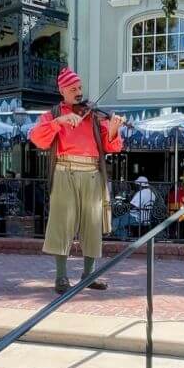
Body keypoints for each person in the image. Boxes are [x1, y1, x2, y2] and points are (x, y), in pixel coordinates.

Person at [28, 67, 126, 292]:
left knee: (92, 225)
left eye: (80, 88)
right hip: (65, 172)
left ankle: (89, 275)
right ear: (62, 91)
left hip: (92, 173)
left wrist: (112, 130)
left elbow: (111, 146)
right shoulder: (53, 114)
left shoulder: (92, 115)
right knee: (62, 223)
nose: (79, 92)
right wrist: (58, 122)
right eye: (73, 89)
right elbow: (37, 139)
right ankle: (61, 277)